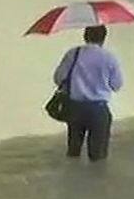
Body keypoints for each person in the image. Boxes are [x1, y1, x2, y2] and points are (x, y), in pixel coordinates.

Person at [52, 25, 123, 161]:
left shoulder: (73, 53)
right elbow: (117, 85)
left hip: (74, 108)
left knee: (73, 153)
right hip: (98, 109)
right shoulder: (109, 57)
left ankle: (72, 179)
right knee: (98, 157)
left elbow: (58, 78)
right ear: (103, 38)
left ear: (85, 36)